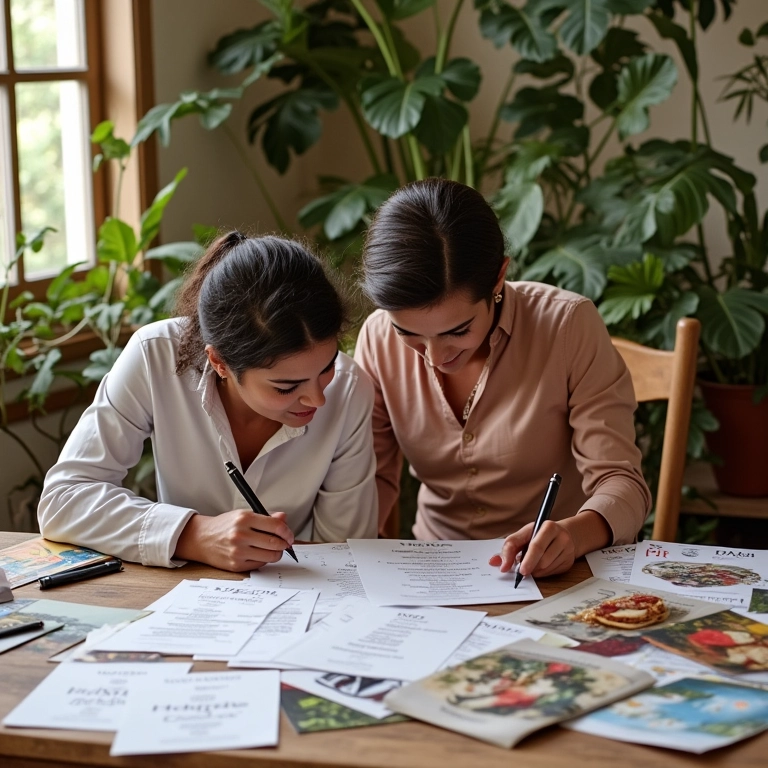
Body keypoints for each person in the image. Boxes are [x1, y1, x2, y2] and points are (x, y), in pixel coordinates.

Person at [354, 178, 651, 581]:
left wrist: (573, 535)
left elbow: (622, 482)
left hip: (556, 573)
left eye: (457, 331)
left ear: (498, 278)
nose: (435, 358)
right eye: (408, 333)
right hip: (433, 572)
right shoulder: (376, 338)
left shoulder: (567, 326)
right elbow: (367, 480)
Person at [39, 232, 377, 571]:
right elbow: (63, 499)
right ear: (219, 363)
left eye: (327, 366)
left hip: (299, 590)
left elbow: (348, 552)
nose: (318, 398)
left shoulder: (349, 390)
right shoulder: (154, 356)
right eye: (286, 387)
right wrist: (194, 535)